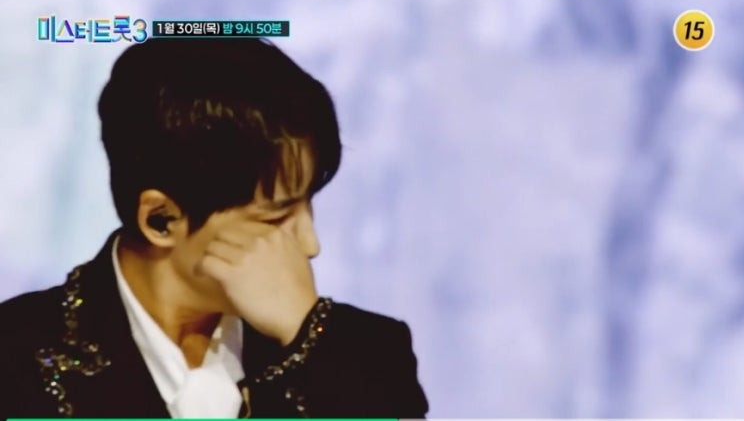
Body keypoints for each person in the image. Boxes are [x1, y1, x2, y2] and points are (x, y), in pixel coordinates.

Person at [0, 38, 429, 418]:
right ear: (161, 219)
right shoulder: (14, 361)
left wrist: (309, 344)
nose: (310, 244)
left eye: (309, 204)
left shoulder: (370, 356)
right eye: (275, 217)